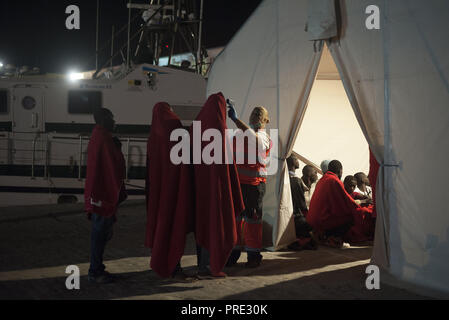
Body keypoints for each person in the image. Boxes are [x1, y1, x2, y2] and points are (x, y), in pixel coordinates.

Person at [191, 93, 245, 277]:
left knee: (202, 226)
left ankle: (202, 265)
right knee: (215, 225)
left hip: (198, 189)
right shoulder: (218, 129)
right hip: (215, 190)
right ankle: (207, 267)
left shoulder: (196, 126)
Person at [145, 102, 195, 281]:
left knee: (162, 227)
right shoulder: (175, 126)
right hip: (176, 188)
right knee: (176, 226)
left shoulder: (153, 135)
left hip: (158, 191)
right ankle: (175, 266)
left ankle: (163, 261)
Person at [226, 102, 272, 268]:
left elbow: (255, 139)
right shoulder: (239, 134)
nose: (256, 117)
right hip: (239, 185)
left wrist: (236, 120)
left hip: (254, 186)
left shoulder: (263, 137)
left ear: (266, 120)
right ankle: (233, 253)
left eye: (260, 115)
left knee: (251, 221)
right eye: (254, 114)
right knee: (237, 220)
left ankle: (253, 256)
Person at [85, 108, 127, 284]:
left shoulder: (98, 136)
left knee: (99, 234)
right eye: (111, 118)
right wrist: (118, 149)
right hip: (103, 195)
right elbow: (114, 167)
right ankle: (95, 271)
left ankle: (97, 268)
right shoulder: (104, 139)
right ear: (103, 120)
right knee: (99, 235)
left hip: (97, 193)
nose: (114, 121)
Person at [306, 160, 372, 247]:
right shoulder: (334, 180)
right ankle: (331, 237)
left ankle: (324, 235)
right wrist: (362, 205)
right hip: (321, 220)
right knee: (352, 215)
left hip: (311, 218)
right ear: (340, 170)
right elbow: (346, 202)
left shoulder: (323, 179)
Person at [287, 155, 317, 250]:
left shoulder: (288, 178)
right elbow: (301, 205)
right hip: (296, 217)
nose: (316, 174)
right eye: (315, 172)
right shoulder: (295, 180)